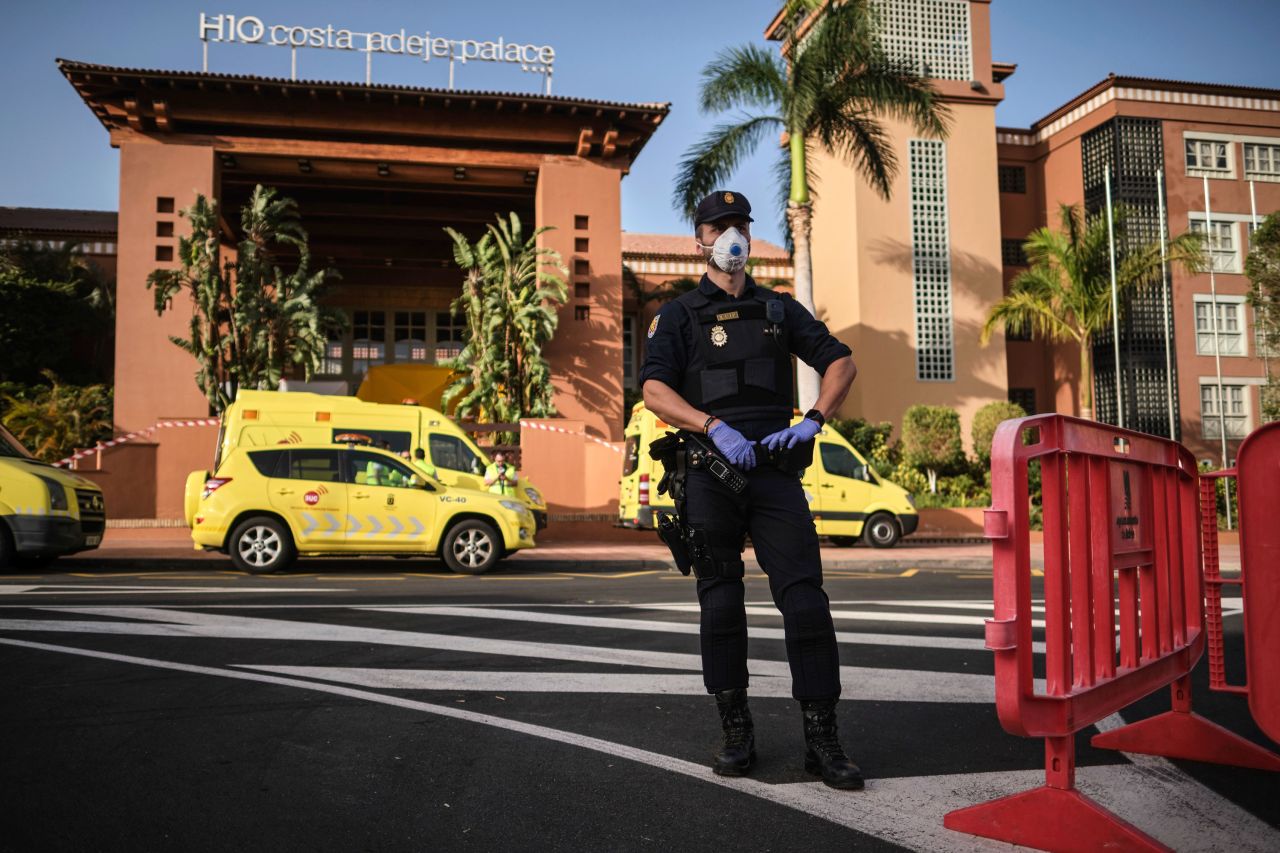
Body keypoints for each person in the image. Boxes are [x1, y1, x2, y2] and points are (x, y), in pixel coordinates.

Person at [639, 190, 862, 790]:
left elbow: (840, 362)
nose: (732, 235)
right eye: (720, 226)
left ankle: (823, 737)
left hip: (773, 472)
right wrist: (711, 425)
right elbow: (654, 392)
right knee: (720, 604)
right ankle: (736, 730)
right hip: (710, 474)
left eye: (740, 224)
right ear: (700, 241)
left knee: (807, 601)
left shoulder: (779, 309)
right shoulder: (679, 315)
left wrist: (813, 419)